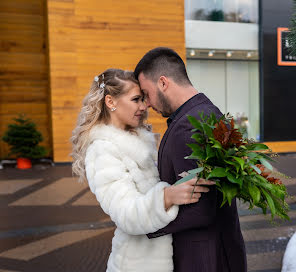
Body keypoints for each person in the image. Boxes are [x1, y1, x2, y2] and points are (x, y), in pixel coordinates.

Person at [70, 68, 214, 272]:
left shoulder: (140, 139)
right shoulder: (102, 150)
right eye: (136, 99)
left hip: (160, 256)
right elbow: (126, 214)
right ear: (110, 102)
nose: (144, 105)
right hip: (137, 263)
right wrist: (167, 197)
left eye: (144, 98)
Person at [134, 47, 247, 272]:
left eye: (146, 94)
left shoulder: (190, 124)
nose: (146, 104)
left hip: (204, 259)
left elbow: (201, 210)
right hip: (217, 253)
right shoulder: (205, 112)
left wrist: (143, 225)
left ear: (163, 83)